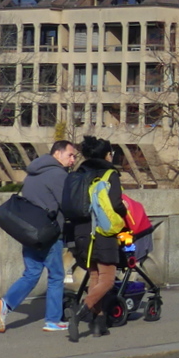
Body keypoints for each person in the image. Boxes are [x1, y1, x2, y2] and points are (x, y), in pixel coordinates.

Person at [0, 140, 80, 334]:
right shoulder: (58, 174)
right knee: (56, 275)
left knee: (31, 273)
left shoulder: (33, 172)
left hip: (29, 231)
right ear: (57, 153)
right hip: (49, 232)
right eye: (70, 155)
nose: (73, 160)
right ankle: (53, 320)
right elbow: (67, 204)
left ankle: (5, 304)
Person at [69, 136, 129, 343]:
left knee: (94, 276)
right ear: (106, 154)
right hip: (102, 232)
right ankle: (80, 313)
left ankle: (98, 323)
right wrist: (125, 211)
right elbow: (115, 203)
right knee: (107, 279)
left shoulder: (79, 172)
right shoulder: (110, 173)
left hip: (82, 231)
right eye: (110, 153)